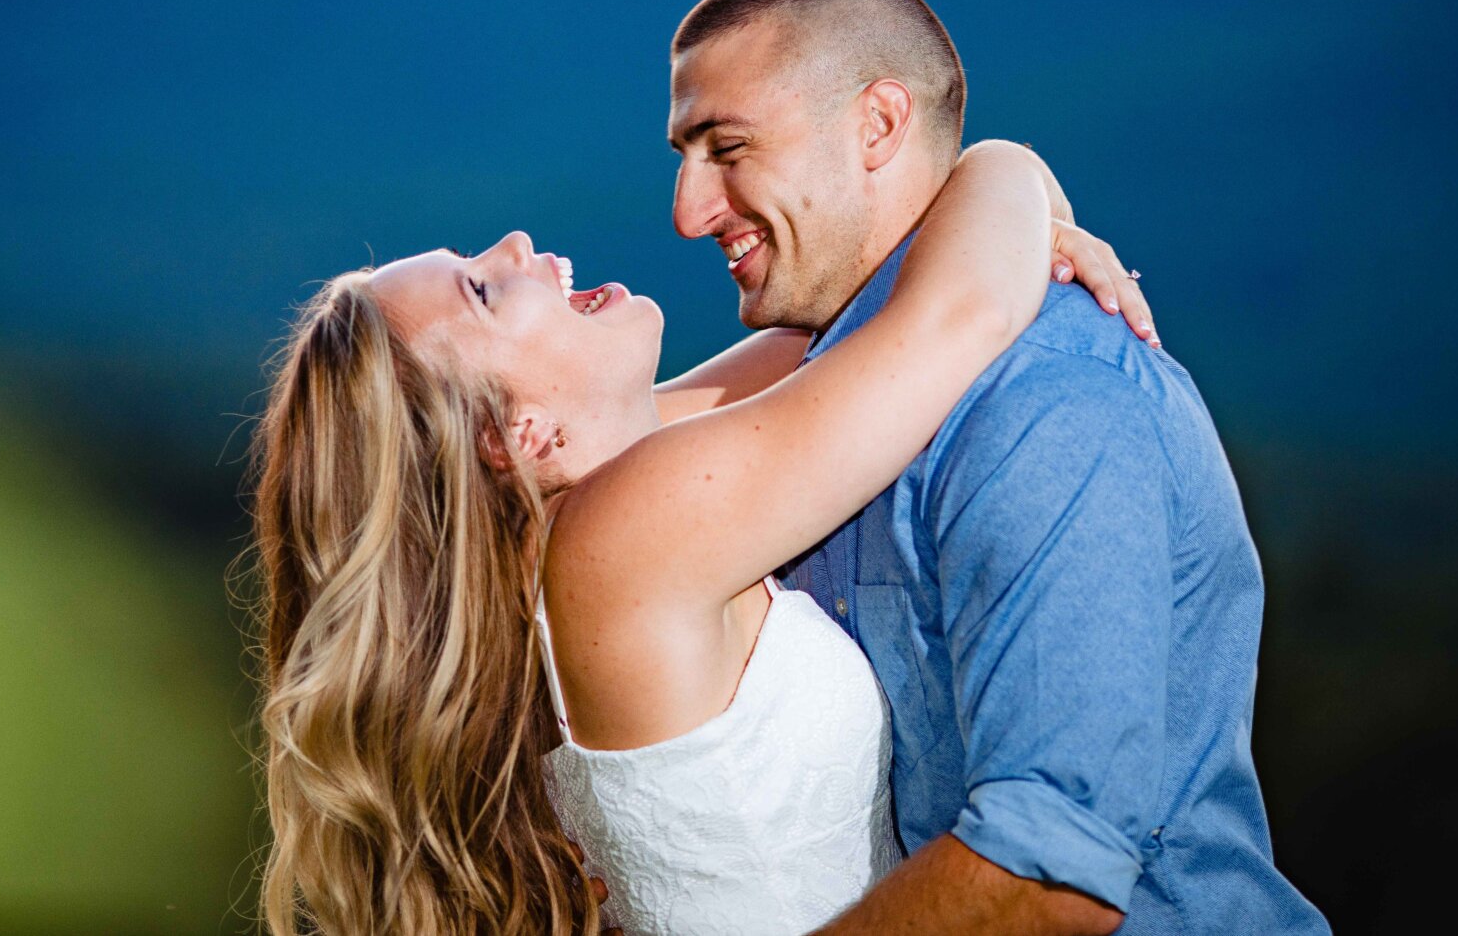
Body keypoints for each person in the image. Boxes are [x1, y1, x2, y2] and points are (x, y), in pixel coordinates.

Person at [250, 138, 1147, 934]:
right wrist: (1010, 169)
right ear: (510, 438)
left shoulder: (564, 539)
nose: (516, 246)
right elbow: (956, 317)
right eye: (483, 289)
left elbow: (848, 331)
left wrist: (1006, 236)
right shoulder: (627, 536)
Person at [665, 0, 1328, 934]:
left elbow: (1045, 875)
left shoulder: (1049, 402)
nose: (687, 211)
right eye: (683, 155)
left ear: (878, 123)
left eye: (726, 147)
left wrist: (1007, 180)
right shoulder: (819, 405)